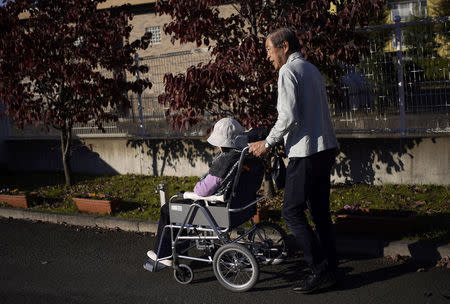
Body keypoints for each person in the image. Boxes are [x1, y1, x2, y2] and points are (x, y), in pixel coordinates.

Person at [248, 27, 339, 294]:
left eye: (268, 49)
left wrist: (267, 143)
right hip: (325, 148)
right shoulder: (311, 69)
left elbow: (287, 117)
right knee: (320, 212)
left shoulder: (287, 71)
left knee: (291, 211)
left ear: (284, 46)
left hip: (306, 152)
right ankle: (331, 269)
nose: (267, 56)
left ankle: (320, 270)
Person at [145, 118, 245, 270]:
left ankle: (163, 254)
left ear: (221, 143)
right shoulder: (242, 156)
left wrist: (195, 187)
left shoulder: (224, 161)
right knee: (179, 210)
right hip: (240, 206)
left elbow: (202, 191)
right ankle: (175, 245)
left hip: (215, 208)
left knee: (168, 208)